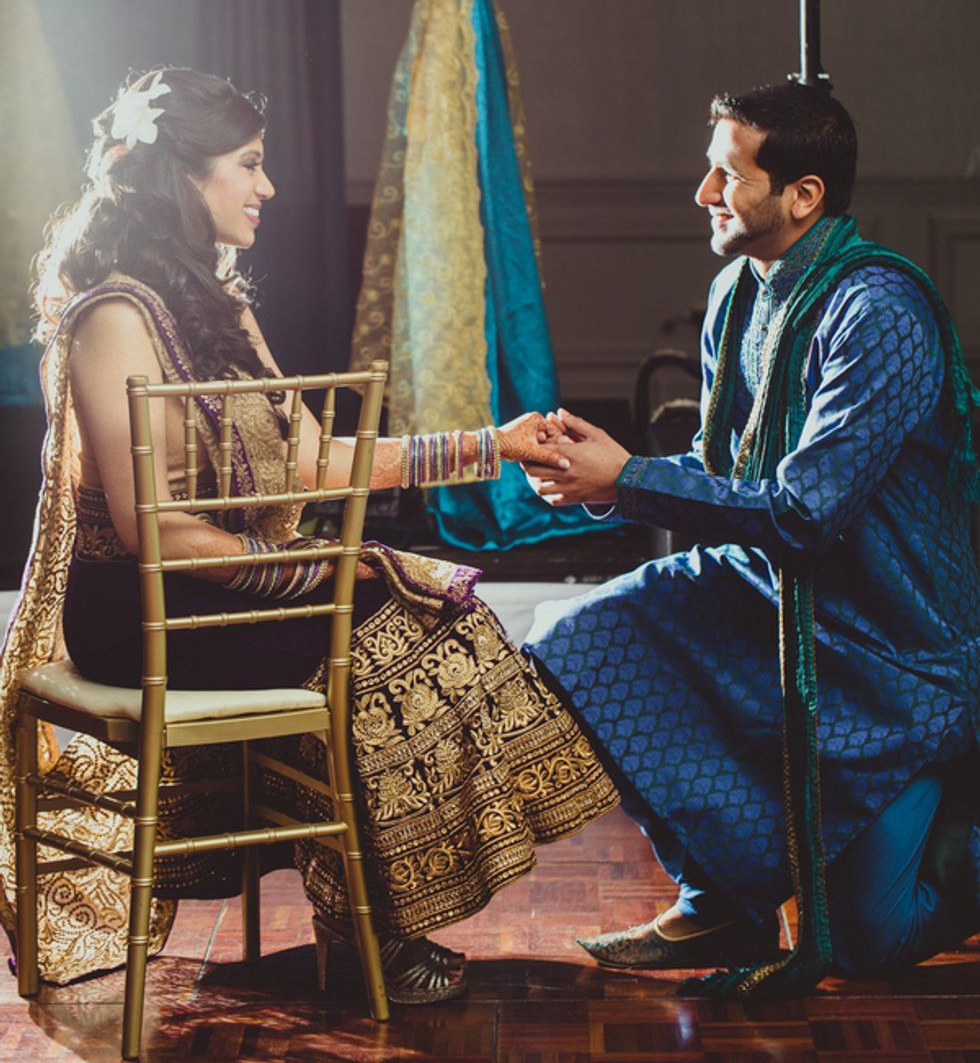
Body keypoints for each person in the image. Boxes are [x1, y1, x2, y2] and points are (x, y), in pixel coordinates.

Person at [0, 67, 617, 1003]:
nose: (268, 186)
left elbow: (314, 460)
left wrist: (493, 445)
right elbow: (151, 533)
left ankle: (364, 922)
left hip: (216, 588)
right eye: (248, 164)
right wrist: (316, 575)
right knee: (392, 629)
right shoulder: (114, 316)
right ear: (183, 174)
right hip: (140, 609)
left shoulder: (220, 306)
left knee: (433, 614)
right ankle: (366, 934)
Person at [525, 82, 980, 989]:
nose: (704, 193)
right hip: (770, 592)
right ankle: (723, 906)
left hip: (890, 653)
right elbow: (719, 471)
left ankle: (947, 801)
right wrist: (600, 479)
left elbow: (806, 511)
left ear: (803, 196)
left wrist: (629, 476)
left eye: (728, 176)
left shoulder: (878, 311)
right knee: (576, 638)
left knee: (868, 941)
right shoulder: (739, 290)